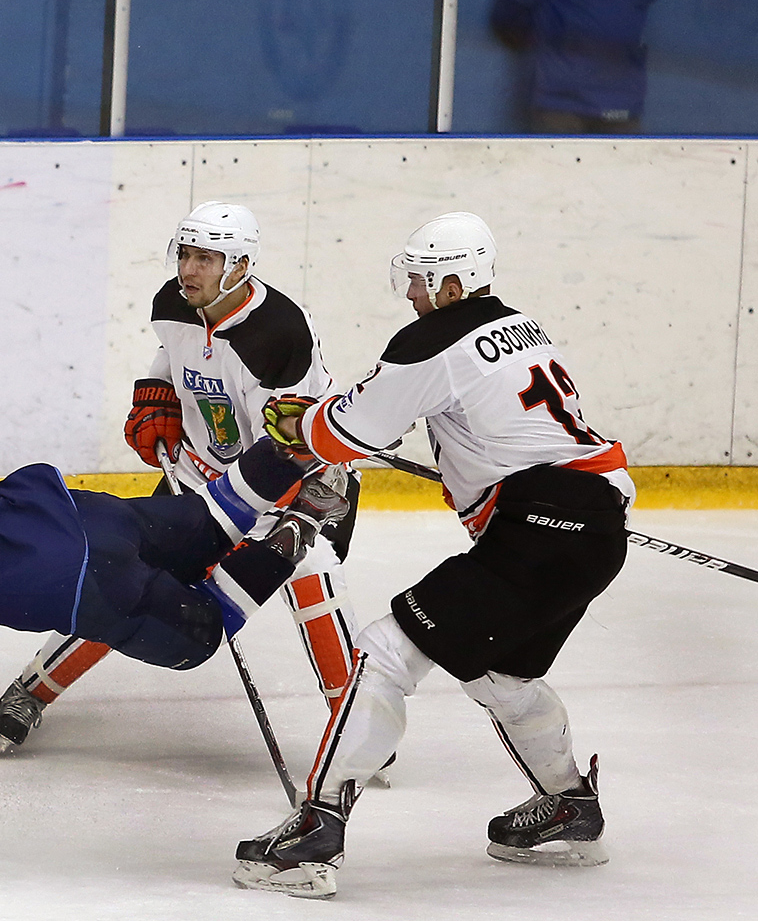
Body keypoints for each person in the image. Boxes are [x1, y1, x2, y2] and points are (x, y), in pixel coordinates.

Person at [231, 212, 634, 899]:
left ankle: (318, 825)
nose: (411, 293)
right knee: (503, 677)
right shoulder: (519, 325)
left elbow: (350, 430)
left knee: (386, 652)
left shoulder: (434, 338)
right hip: (597, 523)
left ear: (453, 284)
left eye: (419, 280)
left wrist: (303, 422)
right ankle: (570, 804)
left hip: (538, 525)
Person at [0, 202, 362, 757]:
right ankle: (34, 690)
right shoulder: (175, 303)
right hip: (202, 476)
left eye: (206, 258)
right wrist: (155, 392)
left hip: (300, 485)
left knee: (313, 581)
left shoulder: (276, 335)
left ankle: (357, 725)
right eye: (185, 254)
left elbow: (284, 450)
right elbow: (174, 353)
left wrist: (242, 530)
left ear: (240, 265)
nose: (189, 269)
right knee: (122, 575)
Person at [0, 441, 350, 785]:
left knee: (199, 634)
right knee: (206, 523)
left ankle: (297, 529)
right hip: (82, 513)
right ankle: (298, 447)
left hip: (81, 581)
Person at [491, 0, 659, 134]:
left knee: (625, 165)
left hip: (621, 104)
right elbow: (508, 14)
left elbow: (636, 8)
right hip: (560, 106)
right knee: (556, 164)